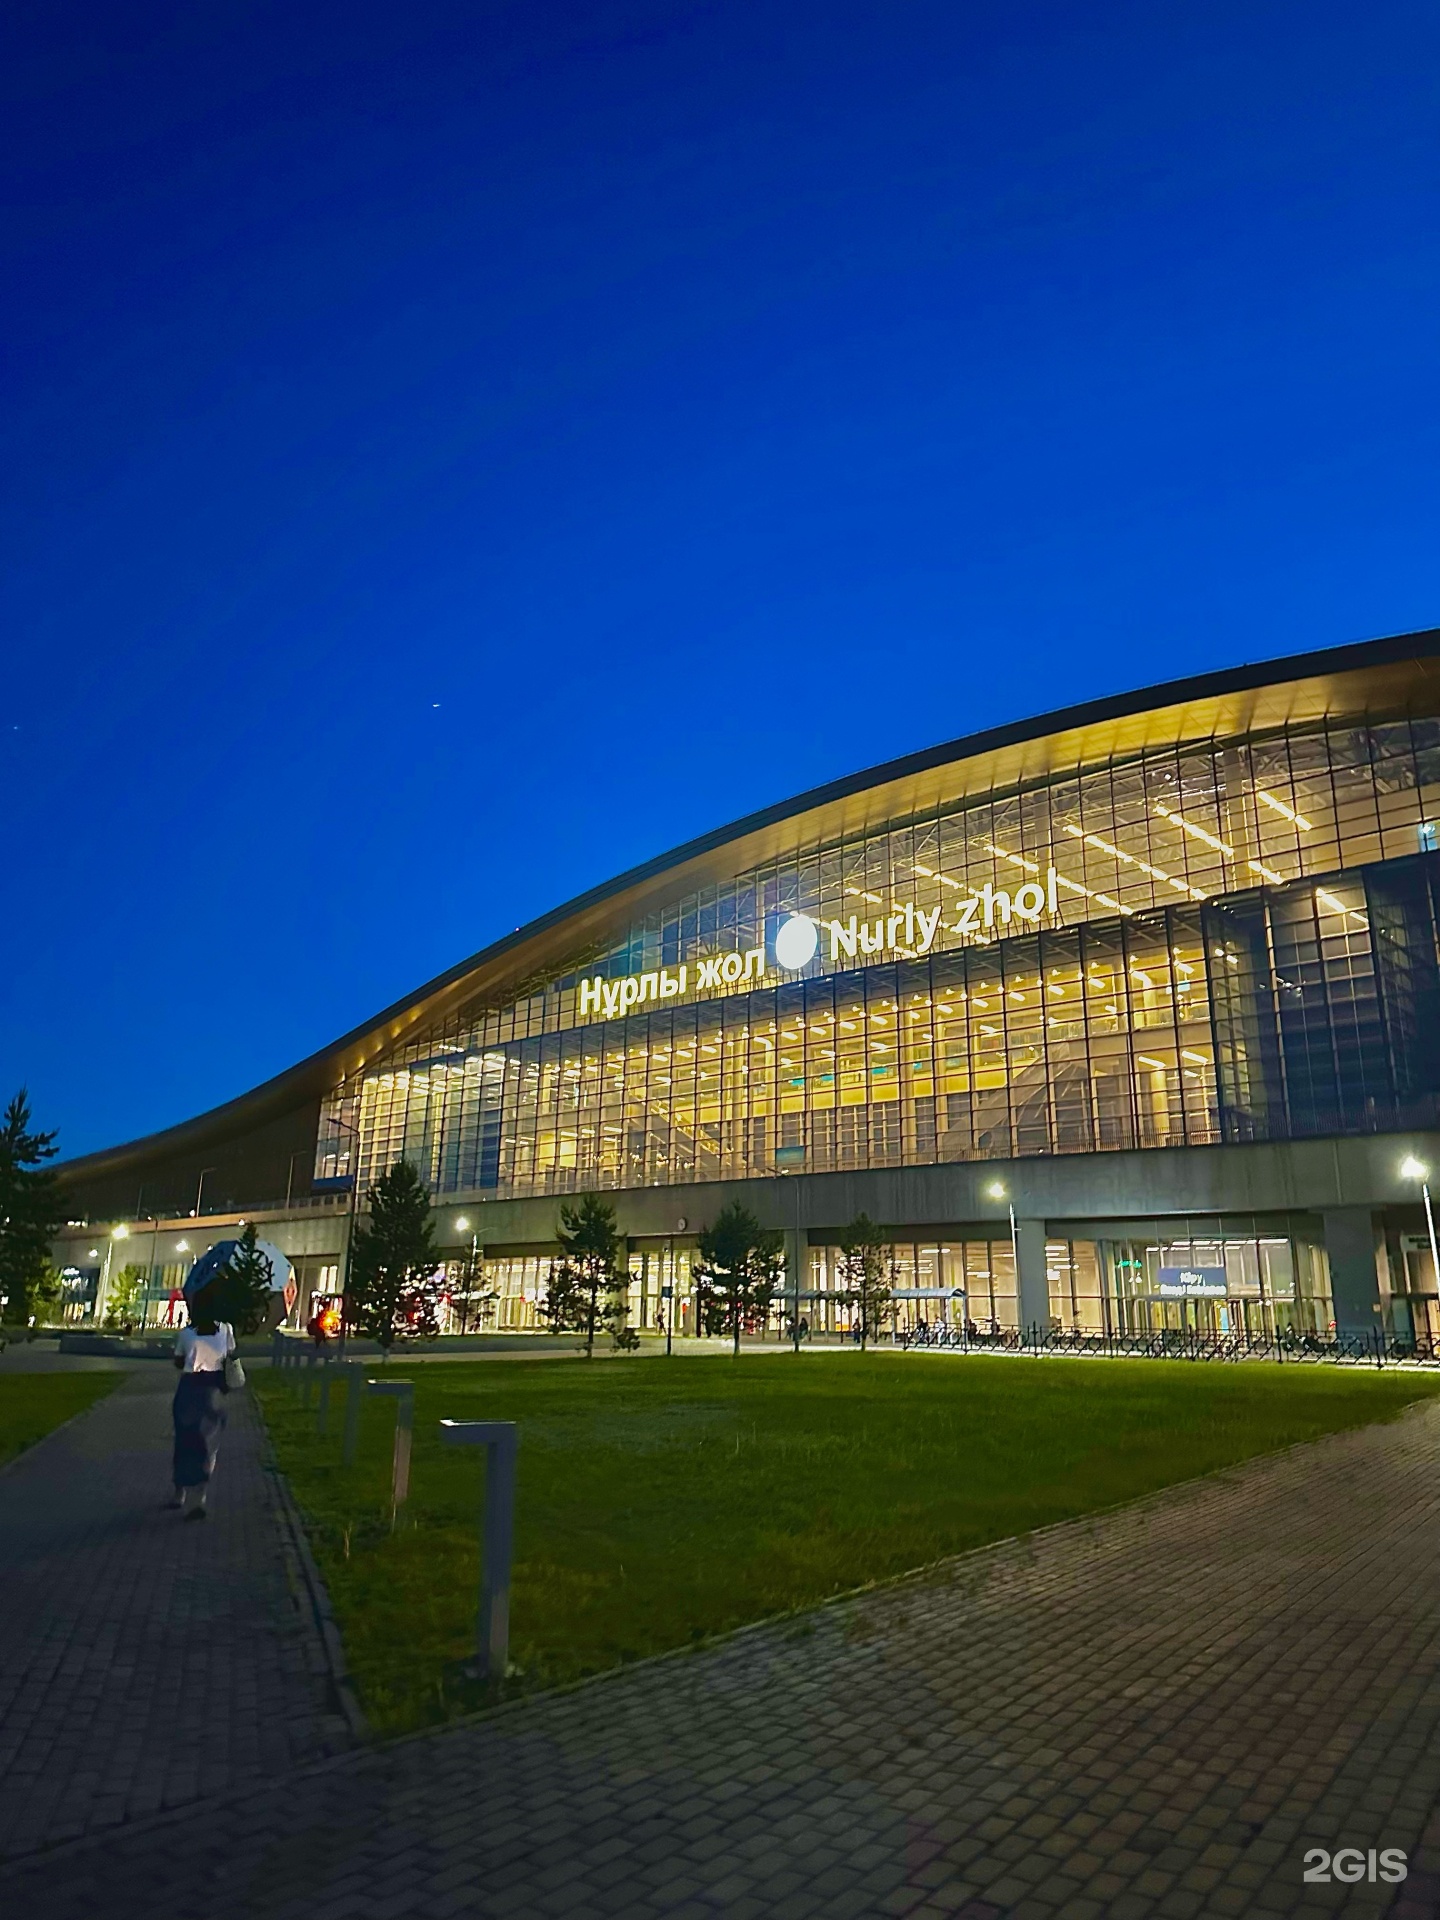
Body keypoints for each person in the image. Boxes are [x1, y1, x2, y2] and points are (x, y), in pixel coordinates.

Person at [170, 1286, 235, 1520]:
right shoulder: (226, 1330)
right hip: (215, 1389)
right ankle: (200, 1496)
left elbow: (178, 1362)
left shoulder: (186, 1333)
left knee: (184, 1441)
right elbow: (230, 1354)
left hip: (189, 1389)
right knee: (209, 1444)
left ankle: (180, 1491)